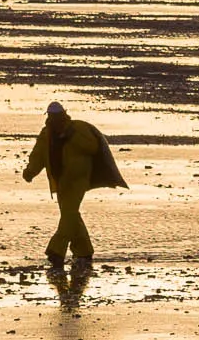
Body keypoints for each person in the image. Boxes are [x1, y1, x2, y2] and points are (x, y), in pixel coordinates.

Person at [21, 100, 126, 274]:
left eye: (57, 116)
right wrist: (30, 172)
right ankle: (84, 251)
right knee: (71, 215)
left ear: (63, 114)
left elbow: (92, 147)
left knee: (69, 214)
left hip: (78, 181)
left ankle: (56, 251)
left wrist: (71, 136)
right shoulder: (46, 134)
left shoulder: (78, 129)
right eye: (52, 117)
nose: (55, 119)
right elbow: (38, 155)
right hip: (60, 181)